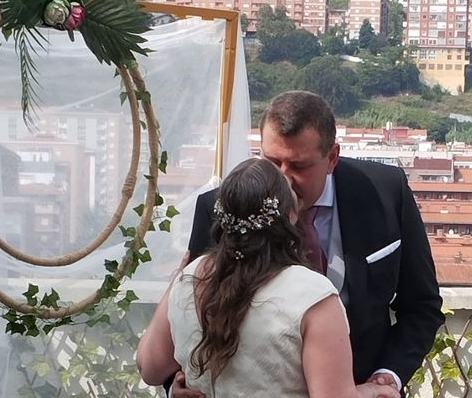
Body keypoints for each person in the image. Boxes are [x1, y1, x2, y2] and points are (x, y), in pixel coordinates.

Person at [170, 91, 444, 397]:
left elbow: (421, 305)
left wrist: (388, 376)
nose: (283, 180)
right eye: (272, 162)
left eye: (299, 167)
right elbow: (186, 306)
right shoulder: (221, 206)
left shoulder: (385, 193)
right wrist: (177, 386)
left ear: (332, 158)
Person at [137, 157, 398, 398]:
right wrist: (368, 391)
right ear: (291, 216)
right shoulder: (313, 296)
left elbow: (149, 368)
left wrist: (177, 279)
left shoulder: (192, 276)